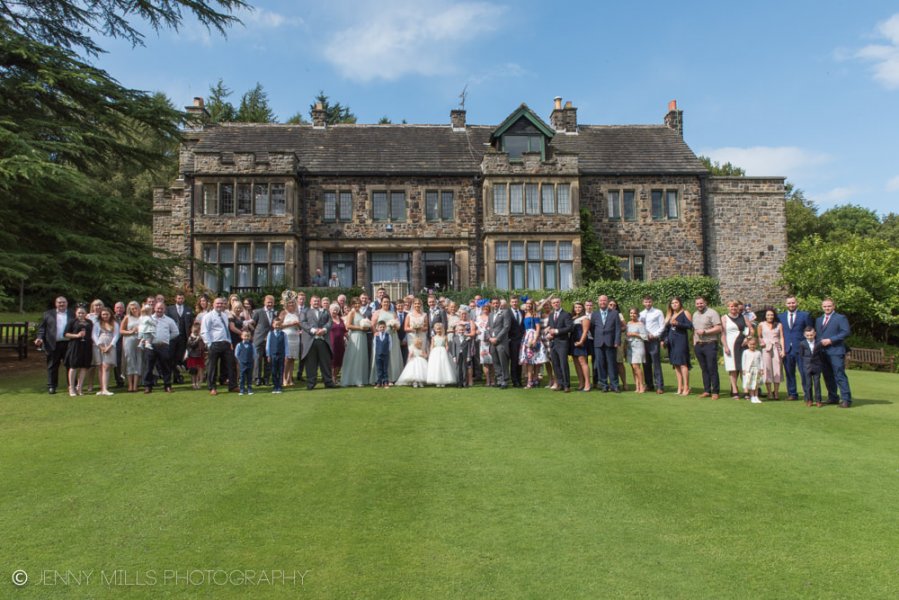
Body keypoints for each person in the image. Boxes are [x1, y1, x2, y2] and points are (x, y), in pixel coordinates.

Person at [815, 298, 852, 407]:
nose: (827, 308)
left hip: (836, 350)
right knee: (827, 376)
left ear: (834, 306)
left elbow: (845, 332)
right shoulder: (819, 319)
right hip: (822, 352)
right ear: (822, 307)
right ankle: (833, 397)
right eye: (825, 306)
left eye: (829, 306)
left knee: (839, 375)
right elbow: (818, 335)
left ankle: (846, 400)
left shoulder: (840, 318)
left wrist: (831, 340)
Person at [36, 296, 74, 394]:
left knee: (70, 365)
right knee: (52, 366)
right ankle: (52, 386)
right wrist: (39, 338)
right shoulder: (48, 314)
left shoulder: (72, 313)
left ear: (67, 303)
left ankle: (72, 385)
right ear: (55, 303)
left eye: (63, 302)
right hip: (53, 344)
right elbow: (42, 328)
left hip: (69, 344)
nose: (61, 304)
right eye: (59, 302)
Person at [779, 296, 814, 401]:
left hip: (801, 349)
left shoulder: (805, 315)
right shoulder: (781, 317)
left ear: (797, 303)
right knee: (789, 373)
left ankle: (808, 394)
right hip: (787, 349)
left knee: (804, 373)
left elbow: (810, 331)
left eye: (793, 303)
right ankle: (792, 393)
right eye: (789, 303)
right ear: (786, 304)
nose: (791, 305)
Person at [301, 295, 337, 390]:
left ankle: (328, 382)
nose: (316, 302)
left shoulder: (325, 311)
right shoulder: (305, 311)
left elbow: (330, 322)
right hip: (310, 341)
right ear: (310, 302)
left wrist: (324, 330)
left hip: (323, 340)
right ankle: (311, 383)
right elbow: (303, 323)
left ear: (320, 302)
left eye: (317, 301)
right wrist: (313, 330)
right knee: (311, 364)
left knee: (325, 362)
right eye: (314, 301)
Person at [201, 297, 235, 396]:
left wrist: (229, 341)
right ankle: (212, 387)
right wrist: (209, 344)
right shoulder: (208, 316)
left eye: (221, 303)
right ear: (213, 304)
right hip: (214, 343)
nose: (220, 305)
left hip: (226, 343)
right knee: (212, 367)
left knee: (231, 365)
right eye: (218, 303)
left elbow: (226, 330)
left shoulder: (224, 315)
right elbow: (204, 331)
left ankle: (233, 386)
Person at [143, 301, 178, 394]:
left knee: (165, 367)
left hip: (163, 346)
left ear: (164, 309)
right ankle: (148, 386)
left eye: (161, 308)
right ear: (154, 308)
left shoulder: (169, 320)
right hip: (150, 346)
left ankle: (167, 386)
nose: (159, 310)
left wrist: (166, 339)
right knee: (148, 367)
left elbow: (176, 332)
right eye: (158, 308)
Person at [692, 296, 722, 400]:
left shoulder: (712, 313)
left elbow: (719, 328)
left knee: (712, 368)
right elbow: (695, 330)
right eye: (697, 303)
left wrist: (705, 332)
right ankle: (706, 390)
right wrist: (694, 343)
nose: (699, 305)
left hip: (710, 344)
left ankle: (715, 391)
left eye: (701, 303)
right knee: (704, 369)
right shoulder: (695, 314)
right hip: (699, 345)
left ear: (705, 303)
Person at [369, 296, 403, 384]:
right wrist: (375, 333)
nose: (386, 303)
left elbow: (398, 326)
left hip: (392, 337)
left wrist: (395, 326)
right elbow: (372, 324)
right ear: (381, 303)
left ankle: (391, 378)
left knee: (392, 357)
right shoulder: (377, 312)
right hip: (381, 338)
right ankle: (379, 378)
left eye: (388, 302)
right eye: (384, 302)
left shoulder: (393, 313)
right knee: (380, 357)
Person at [590, 295, 620, 393]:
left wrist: (617, 341)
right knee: (600, 365)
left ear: (607, 302)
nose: (602, 302)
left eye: (604, 300)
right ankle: (604, 385)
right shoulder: (594, 314)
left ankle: (614, 385)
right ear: (598, 302)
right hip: (598, 343)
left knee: (612, 365)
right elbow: (592, 328)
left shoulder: (614, 313)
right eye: (601, 300)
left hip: (610, 342)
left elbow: (617, 329)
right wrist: (597, 337)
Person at [721, 300, 750, 399]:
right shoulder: (724, 318)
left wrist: (747, 338)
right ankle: (734, 390)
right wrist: (725, 346)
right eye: (731, 306)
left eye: (735, 306)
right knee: (732, 368)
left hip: (743, 345)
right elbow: (723, 334)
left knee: (743, 369)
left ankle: (746, 390)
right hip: (730, 346)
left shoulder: (744, 317)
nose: (733, 308)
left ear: (738, 308)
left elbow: (750, 330)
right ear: (728, 307)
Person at [664, 297, 693, 396]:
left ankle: (686, 387)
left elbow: (690, 326)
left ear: (680, 303)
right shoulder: (670, 314)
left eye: (676, 302)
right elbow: (667, 329)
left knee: (683, 364)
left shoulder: (685, 312)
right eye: (672, 303)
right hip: (671, 342)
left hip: (681, 341)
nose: (674, 304)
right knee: (676, 365)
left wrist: (678, 323)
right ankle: (679, 388)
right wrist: (664, 340)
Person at [63, 305, 93, 396]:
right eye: (79, 313)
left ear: (86, 313)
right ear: (76, 313)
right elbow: (65, 334)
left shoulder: (89, 322)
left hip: (86, 346)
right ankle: (71, 387)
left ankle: (79, 388)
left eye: (83, 313)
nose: (81, 314)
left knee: (84, 367)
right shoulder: (72, 322)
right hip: (75, 346)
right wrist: (77, 335)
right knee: (74, 366)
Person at [341, 297, 371, 387]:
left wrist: (366, 327)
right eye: (355, 303)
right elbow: (348, 326)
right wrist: (360, 328)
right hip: (355, 336)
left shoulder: (361, 313)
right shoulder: (352, 312)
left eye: (359, 303)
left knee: (361, 357)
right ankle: (353, 379)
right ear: (352, 304)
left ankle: (361, 378)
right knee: (355, 357)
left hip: (363, 336)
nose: (357, 305)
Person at [757, 307, 785, 400]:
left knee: (777, 369)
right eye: (768, 315)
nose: (770, 316)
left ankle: (776, 393)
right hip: (766, 348)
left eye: (772, 315)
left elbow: (781, 337)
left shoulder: (779, 325)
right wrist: (761, 342)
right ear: (765, 316)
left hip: (776, 348)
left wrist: (783, 350)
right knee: (767, 369)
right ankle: (769, 392)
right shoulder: (761, 324)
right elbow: (759, 336)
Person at [547, 297, 573, 393]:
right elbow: (551, 327)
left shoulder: (566, 314)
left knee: (563, 364)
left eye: (557, 302)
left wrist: (556, 331)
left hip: (562, 342)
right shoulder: (551, 315)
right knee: (555, 364)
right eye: (554, 303)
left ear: (560, 303)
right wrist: (549, 333)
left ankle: (566, 385)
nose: (556, 304)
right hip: (553, 343)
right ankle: (560, 384)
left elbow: (570, 327)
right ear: (551, 304)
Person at [166, 293, 193, 384]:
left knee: (180, 357)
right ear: (175, 299)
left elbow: (191, 323)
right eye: (179, 298)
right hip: (172, 337)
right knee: (171, 357)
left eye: (182, 298)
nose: (180, 300)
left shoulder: (188, 309)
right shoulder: (169, 309)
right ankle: (175, 376)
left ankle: (178, 376)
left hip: (184, 337)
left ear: (184, 299)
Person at [519, 299, 546, 389]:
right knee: (528, 361)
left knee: (535, 360)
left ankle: (533, 380)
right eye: (527, 303)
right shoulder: (524, 314)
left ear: (533, 305)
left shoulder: (535, 314)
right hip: (526, 337)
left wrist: (534, 339)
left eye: (530, 303)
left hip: (533, 336)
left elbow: (538, 328)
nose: (528, 305)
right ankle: (531, 380)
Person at [92, 307, 120, 396]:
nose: (105, 316)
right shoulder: (97, 323)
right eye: (103, 314)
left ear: (110, 314)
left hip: (110, 345)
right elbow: (94, 335)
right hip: (99, 345)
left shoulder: (115, 324)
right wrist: (100, 346)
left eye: (107, 314)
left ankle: (105, 388)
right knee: (100, 367)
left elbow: (116, 336)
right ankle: (102, 389)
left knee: (107, 366)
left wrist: (110, 346)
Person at [252, 295, 277, 386]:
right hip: (259, 339)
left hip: (270, 340)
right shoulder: (258, 312)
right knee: (257, 359)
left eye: (271, 302)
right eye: (268, 302)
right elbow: (252, 324)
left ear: (274, 303)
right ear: (264, 302)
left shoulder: (275, 313)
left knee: (269, 360)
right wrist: (254, 335)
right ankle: (257, 378)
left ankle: (266, 379)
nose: (269, 304)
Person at [120, 301, 144, 392]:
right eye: (132, 309)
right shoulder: (127, 317)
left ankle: (136, 385)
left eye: (135, 308)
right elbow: (121, 330)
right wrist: (130, 331)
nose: (134, 310)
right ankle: (130, 384)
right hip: (129, 340)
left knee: (139, 360)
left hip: (139, 340)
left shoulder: (142, 317)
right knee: (130, 361)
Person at [488, 298, 511, 389]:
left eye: (497, 303)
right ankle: (499, 380)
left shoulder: (505, 312)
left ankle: (505, 381)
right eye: (494, 303)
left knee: (503, 361)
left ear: (499, 304)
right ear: (491, 304)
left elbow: (506, 327)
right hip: (492, 342)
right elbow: (488, 327)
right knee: (495, 361)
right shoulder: (490, 314)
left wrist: (497, 338)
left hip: (501, 341)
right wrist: (489, 338)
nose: (495, 305)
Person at [279, 295, 302, 387]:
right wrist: (291, 324)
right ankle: (284, 379)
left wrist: (298, 325)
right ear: (286, 304)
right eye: (289, 303)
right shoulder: (283, 313)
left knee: (292, 359)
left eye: (293, 302)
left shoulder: (297, 313)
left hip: (295, 337)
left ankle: (290, 379)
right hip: (286, 337)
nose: (291, 304)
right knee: (286, 359)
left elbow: (300, 326)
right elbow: (279, 325)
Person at [799, 326, 825, 407]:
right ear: (804, 335)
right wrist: (805, 363)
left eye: (811, 335)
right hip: (807, 366)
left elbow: (821, 354)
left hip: (817, 366)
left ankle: (818, 400)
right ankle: (809, 400)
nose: (810, 337)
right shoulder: (802, 343)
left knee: (817, 384)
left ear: (815, 334)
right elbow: (801, 355)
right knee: (808, 384)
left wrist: (820, 364)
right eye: (808, 335)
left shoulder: (819, 343)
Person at [426, 322, 456, 387]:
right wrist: (431, 351)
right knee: (437, 365)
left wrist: (447, 349)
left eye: (440, 329)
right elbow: (432, 345)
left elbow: (446, 345)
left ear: (442, 329)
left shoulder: (445, 337)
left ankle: (443, 380)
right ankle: (437, 380)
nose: (438, 330)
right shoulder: (433, 337)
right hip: (436, 352)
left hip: (443, 351)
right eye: (437, 329)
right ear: (435, 330)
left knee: (443, 365)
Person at [626, 308, 648, 393]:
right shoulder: (628, 323)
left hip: (638, 345)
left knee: (636, 366)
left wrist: (634, 334)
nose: (632, 315)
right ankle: (637, 386)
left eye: (634, 313)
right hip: (630, 346)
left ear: (638, 314)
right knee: (633, 367)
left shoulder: (640, 324)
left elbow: (645, 336)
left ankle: (642, 385)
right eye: (631, 313)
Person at [570, 301, 591, 392]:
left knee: (583, 362)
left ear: (582, 308)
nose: (577, 309)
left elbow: (585, 331)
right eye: (576, 307)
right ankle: (581, 383)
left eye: (579, 307)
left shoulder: (585, 317)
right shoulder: (573, 318)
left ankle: (587, 383)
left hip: (581, 341)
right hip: (573, 341)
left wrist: (581, 341)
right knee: (576, 363)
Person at [266, 318, 288, 394]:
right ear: (273, 325)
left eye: (279, 324)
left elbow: (286, 345)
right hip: (273, 355)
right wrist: (268, 355)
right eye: (276, 324)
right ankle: (275, 386)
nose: (277, 326)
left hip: (281, 355)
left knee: (281, 371)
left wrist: (286, 355)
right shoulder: (270, 334)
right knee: (274, 371)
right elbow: (268, 345)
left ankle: (279, 386)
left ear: (281, 325)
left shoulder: (284, 334)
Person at [508, 296, 525, 387]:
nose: (514, 303)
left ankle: (519, 379)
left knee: (520, 360)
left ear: (518, 302)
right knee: (514, 361)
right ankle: (515, 381)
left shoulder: (522, 312)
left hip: (522, 340)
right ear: (510, 303)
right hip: (512, 340)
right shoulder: (507, 312)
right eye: (513, 302)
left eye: (516, 301)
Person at [476, 302, 494, 387]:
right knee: (485, 361)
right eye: (484, 309)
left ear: (489, 309)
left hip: (491, 341)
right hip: (482, 342)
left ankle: (493, 380)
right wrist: (477, 331)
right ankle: (487, 380)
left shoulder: (492, 317)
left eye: (487, 309)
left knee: (492, 361)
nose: (485, 310)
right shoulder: (478, 317)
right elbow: (475, 328)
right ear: (482, 309)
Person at [448, 324, 471, 388]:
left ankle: (465, 383)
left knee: (464, 369)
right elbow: (453, 348)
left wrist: (468, 356)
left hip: (465, 355)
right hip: (458, 356)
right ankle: (459, 383)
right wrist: (454, 356)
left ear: (464, 330)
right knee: (458, 369)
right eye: (460, 330)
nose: (461, 331)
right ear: (457, 330)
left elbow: (469, 348)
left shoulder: (467, 338)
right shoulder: (455, 338)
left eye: (462, 330)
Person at [234, 330, 257, 395]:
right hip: (242, 363)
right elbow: (236, 354)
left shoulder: (252, 345)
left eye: (248, 336)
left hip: (250, 362)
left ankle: (249, 389)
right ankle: (242, 390)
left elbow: (254, 353)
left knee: (249, 376)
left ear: (250, 337)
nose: (246, 337)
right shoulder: (239, 345)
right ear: (241, 336)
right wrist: (240, 360)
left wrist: (252, 359)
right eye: (245, 336)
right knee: (242, 377)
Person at [185, 321, 206, 390]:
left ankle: (198, 382)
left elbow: (203, 346)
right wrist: (197, 340)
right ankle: (193, 383)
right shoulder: (190, 338)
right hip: (192, 356)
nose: (196, 331)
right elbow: (192, 345)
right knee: (193, 371)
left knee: (199, 370)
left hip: (199, 356)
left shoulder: (201, 338)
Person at [329, 303, 347, 382]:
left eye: (336, 310)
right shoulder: (328, 320)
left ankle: (335, 376)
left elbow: (345, 331)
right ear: (330, 310)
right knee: (333, 360)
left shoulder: (341, 319)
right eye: (333, 310)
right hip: (332, 343)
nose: (335, 311)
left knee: (340, 360)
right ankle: (331, 378)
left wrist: (350, 339)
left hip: (341, 343)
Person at [742, 337, 763, 404]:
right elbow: (743, 361)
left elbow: (761, 361)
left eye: (754, 344)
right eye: (751, 344)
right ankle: (752, 396)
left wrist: (761, 369)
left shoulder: (758, 352)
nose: (752, 346)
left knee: (756, 384)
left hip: (756, 370)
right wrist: (744, 369)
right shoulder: (745, 352)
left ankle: (756, 396)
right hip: (749, 370)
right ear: (748, 344)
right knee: (750, 384)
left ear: (756, 344)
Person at [373, 321, 392, 388]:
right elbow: (374, 345)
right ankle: (379, 382)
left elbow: (390, 344)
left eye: (383, 327)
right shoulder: (376, 336)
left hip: (385, 354)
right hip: (378, 354)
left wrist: (387, 351)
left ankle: (385, 382)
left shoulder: (388, 335)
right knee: (379, 369)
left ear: (385, 327)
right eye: (380, 327)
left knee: (385, 369)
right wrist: (376, 353)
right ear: (378, 328)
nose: (382, 328)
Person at [395, 299, 408, 364]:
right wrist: (397, 340)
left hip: (405, 339)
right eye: (399, 306)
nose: (400, 307)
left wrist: (405, 339)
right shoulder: (393, 314)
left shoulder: (407, 315)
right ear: (396, 306)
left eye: (402, 306)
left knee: (405, 357)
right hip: (396, 339)